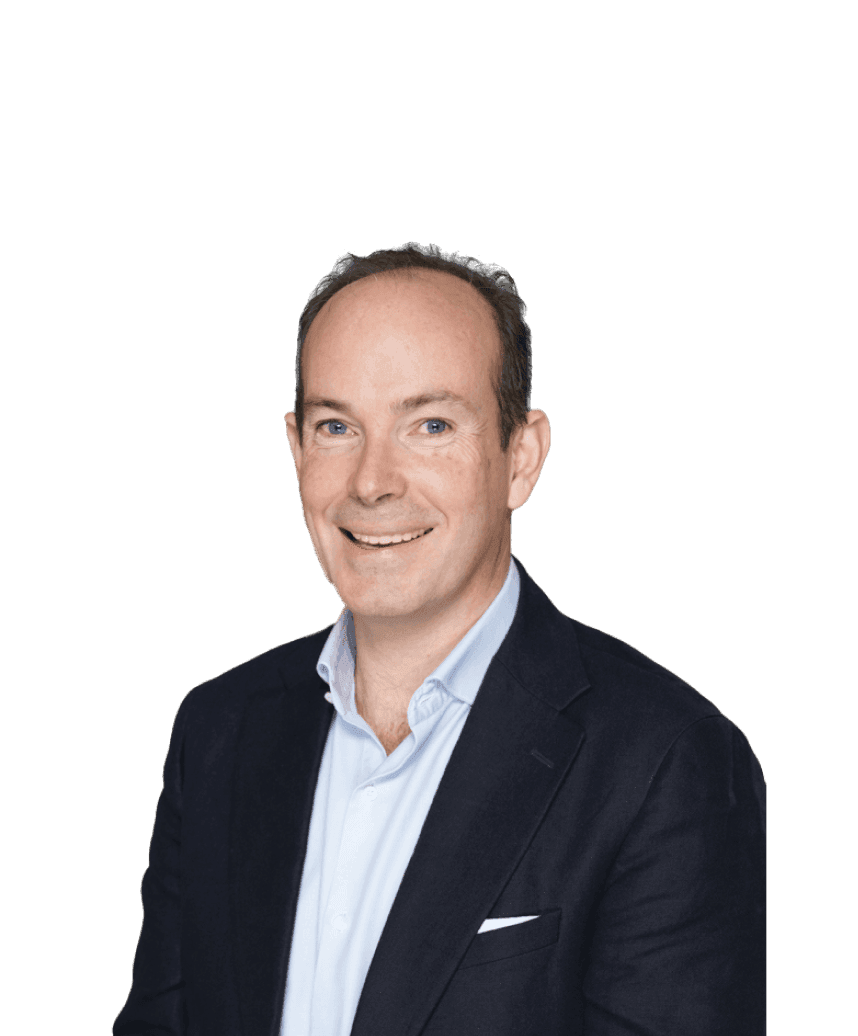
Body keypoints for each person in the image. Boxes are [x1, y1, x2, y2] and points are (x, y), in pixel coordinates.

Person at [114, 241, 766, 1036]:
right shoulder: (218, 731)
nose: (372, 480)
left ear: (519, 458)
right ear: (295, 451)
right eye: (335, 426)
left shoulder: (665, 761)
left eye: (429, 424)